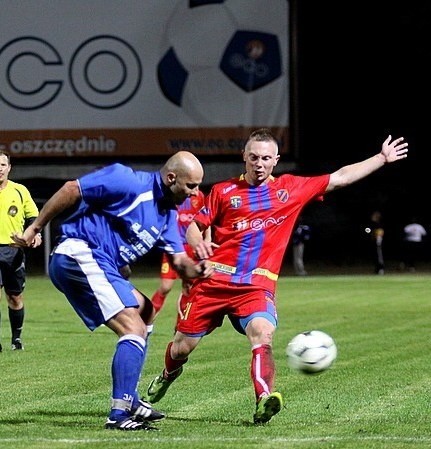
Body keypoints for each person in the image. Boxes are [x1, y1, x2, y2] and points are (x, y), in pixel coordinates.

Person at [146, 128, 408, 425]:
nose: (259, 163)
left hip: (256, 285)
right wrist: (198, 242)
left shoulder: (291, 189)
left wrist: (381, 158)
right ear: (244, 157)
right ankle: (168, 375)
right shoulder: (223, 192)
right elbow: (193, 224)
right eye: (254, 157)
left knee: (263, 335)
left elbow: (341, 177)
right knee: (182, 348)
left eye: (266, 158)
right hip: (213, 284)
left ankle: (264, 398)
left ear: (276, 160)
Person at [12, 151, 213, 431]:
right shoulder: (127, 181)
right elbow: (73, 188)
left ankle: (130, 400)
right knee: (133, 328)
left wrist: (200, 268)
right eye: (191, 185)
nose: (195, 193)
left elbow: (180, 263)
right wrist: (35, 228)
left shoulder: (167, 215)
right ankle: (119, 415)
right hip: (79, 253)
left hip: (101, 263)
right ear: (171, 178)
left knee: (146, 312)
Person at [0, 151, 42, 352]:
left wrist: (35, 235)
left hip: (13, 250)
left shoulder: (20, 191)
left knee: (14, 296)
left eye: (2, 164)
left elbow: (33, 217)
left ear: (9, 167)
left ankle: (16, 339)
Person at [151, 191, 209, 317]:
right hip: (173, 246)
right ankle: (146, 323)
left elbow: (206, 220)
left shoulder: (199, 196)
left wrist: (206, 240)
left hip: (191, 246)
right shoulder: (172, 195)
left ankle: (179, 331)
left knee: (189, 288)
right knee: (165, 286)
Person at [367, 210, 385, 274]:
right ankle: (377, 269)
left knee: (379, 256)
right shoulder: (373, 224)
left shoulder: (378, 224)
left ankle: (381, 269)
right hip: (374, 241)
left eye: (374, 216)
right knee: (375, 256)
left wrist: (378, 240)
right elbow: (369, 231)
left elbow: (380, 232)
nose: (372, 217)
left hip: (378, 242)